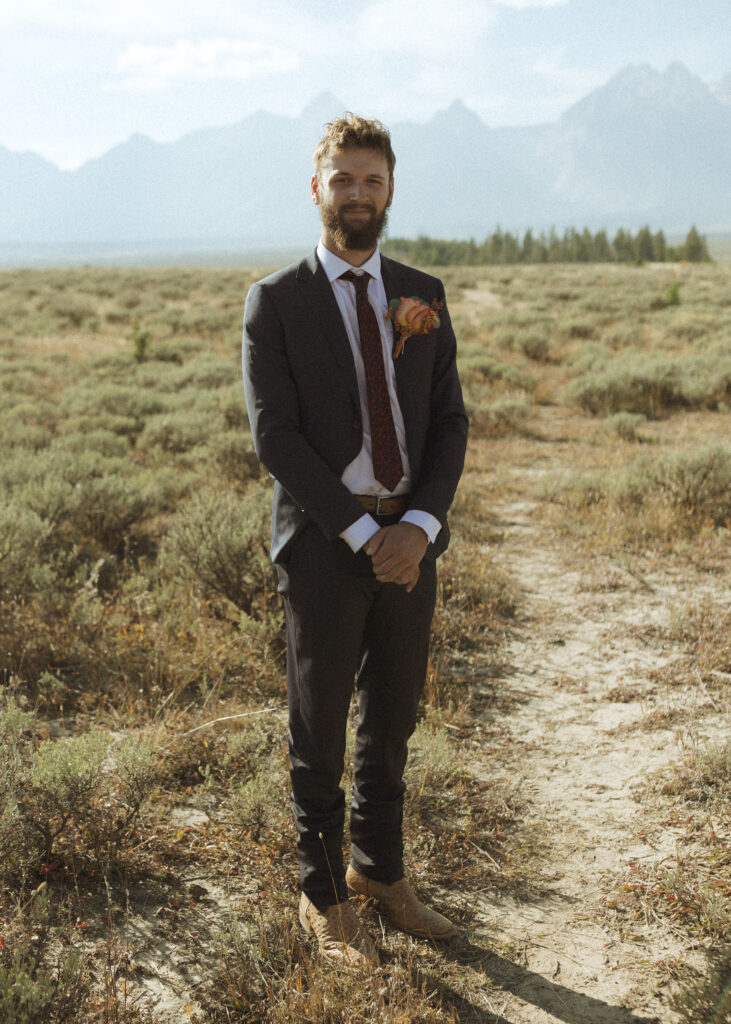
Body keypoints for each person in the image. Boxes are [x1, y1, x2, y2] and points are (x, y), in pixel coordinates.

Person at [242, 113, 468, 966]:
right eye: (343, 179)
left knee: (393, 716)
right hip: (323, 543)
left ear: (390, 190)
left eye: (372, 181)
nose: (358, 195)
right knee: (319, 719)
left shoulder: (422, 293)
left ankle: (381, 872)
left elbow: (448, 423)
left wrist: (415, 525)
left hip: (411, 540)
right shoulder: (277, 300)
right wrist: (356, 530)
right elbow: (276, 436)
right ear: (316, 189)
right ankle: (321, 889)